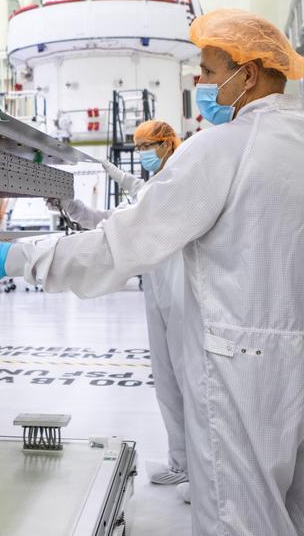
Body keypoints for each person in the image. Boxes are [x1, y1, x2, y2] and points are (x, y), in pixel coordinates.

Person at [0, 8, 304, 535]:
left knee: (240, 524)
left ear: (251, 73)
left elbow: (121, 246)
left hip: (245, 375)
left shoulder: (223, 151)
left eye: (211, 72)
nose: (202, 84)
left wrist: (11, 257)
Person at [58, 121, 191, 489]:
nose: (142, 154)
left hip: (185, 292)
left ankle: (205, 474)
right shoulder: (149, 187)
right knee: (167, 382)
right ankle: (181, 464)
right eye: (137, 148)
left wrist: (121, 178)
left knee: (191, 382)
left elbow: (151, 203)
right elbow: (113, 221)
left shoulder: (181, 177)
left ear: (166, 144)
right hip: (158, 290)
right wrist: (72, 208)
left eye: (146, 146)